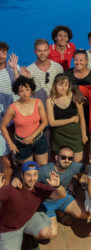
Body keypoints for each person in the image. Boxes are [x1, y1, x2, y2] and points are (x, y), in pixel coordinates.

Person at [11, 146, 88, 238]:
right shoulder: (44, 170)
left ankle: (60, 211)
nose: (67, 160)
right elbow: (28, 177)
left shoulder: (73, 166)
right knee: (51, 234)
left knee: (84, 214)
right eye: (63, 157)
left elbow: (90, 169)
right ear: (56, 157)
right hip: (46, 203)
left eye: (70, 158)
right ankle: (32, 229)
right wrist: (16, 179)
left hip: (62, 196)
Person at [0, 161, 66, 249]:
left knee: (46, 232)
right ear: (22, 176)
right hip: (9, 229)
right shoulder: (11, 189)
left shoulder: (39, 188)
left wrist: (58, 186)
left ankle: (30, 241)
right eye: (28, 175)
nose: (32, 178)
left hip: (28, 219)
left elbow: (61, 195)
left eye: (35, 174)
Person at [0, 76, 48, 165]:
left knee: (43, 165)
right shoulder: (12, 108)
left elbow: (45, 122)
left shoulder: (38, 102)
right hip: (21, 143)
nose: (24, 93)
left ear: (31, 90)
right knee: (28, 169)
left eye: (27, 89)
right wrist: (10, 143)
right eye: (21, 91)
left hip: (39, 139)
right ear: (17, 93)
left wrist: (31, 137)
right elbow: (2, 126)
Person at [46, 73, 87, 162]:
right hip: (59, 137)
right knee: (61, 164)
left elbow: (82, 118)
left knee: (78, 163)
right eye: (60, 85)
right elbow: (52, 123)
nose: (63, 88)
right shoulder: (50, 100)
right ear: (55, 85)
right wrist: (71, 120)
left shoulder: (75, 97)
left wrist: (84, 135)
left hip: (75, 136)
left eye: (66, 85)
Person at [0, 41, 19, 185]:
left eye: (4, 52)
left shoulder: (14, 68)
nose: (1, 55)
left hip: (15, 117)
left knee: (15, 154)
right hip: (1, 121)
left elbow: (21, 86)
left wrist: (14, 69)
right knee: (5, 158)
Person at [27, 39, 64, 106]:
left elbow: (63, 89)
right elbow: (27, 93)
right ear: (35, 51)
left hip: (56, 108)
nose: (42, 54)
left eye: (45, 50)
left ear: (49, 51)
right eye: (39, 51)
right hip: (38, 110)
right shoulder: (29, 70)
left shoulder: (58, 67)